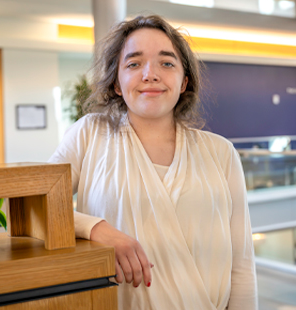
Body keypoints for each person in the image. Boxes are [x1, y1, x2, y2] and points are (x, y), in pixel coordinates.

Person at [49, 15, 258, 310]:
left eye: (167, 63)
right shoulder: (90, 133)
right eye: (134, 64)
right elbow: (36, 207)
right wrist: (97, 229)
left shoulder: (220, 152)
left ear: (184, 81)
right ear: (117, 83)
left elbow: (242, 265)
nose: (150, 74)